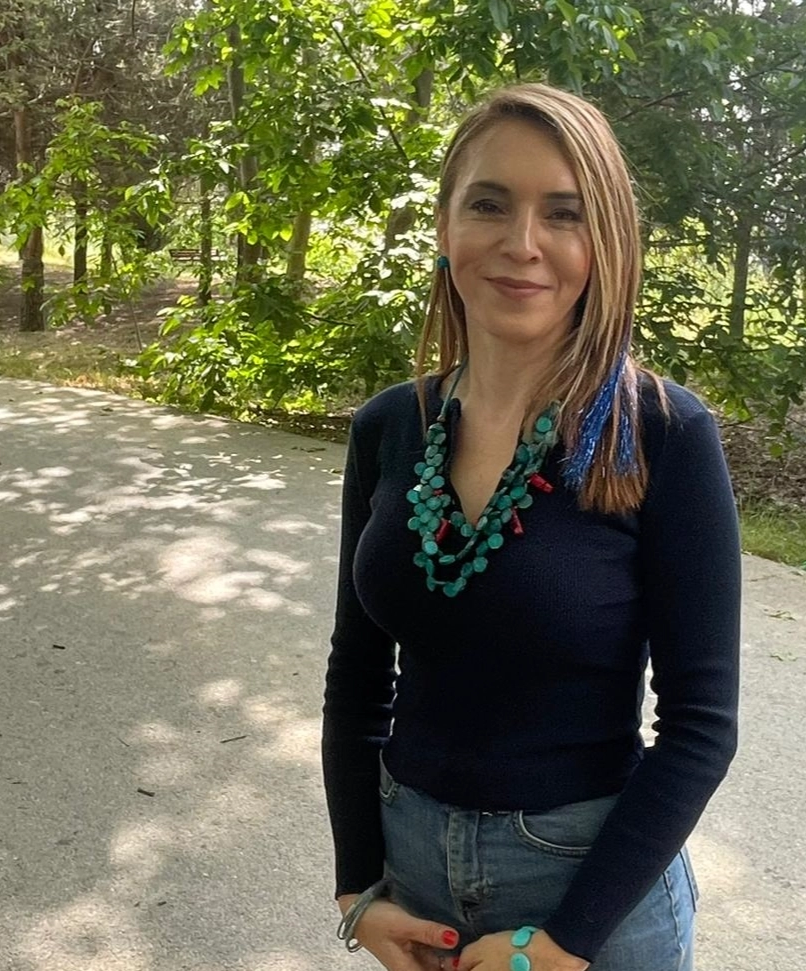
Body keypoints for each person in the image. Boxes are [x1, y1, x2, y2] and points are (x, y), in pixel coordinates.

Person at [322, 83, 741, 971]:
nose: (522, 243)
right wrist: (357, 886)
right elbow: (357, 674)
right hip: (412, 877)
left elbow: (701, 725)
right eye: (489, 204)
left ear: (606, 244)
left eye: (564, 212)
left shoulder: (662, 433)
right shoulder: (390, 426)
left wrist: (566, 942)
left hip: (591, 892)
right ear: (445, 226)